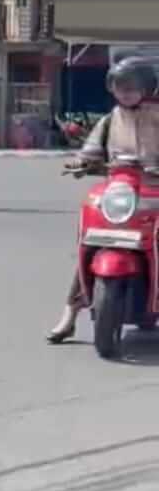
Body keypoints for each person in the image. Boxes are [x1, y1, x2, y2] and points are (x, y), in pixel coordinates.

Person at [47, 55, 159, 343]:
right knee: (93, 243)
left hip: (154, 192)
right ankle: (70, 314)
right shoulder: (110, 119)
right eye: (120, 86)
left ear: (147, 87)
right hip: (121, 192)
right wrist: (81, 163)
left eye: (132, 87)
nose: (125, 92)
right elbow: (92, 150)